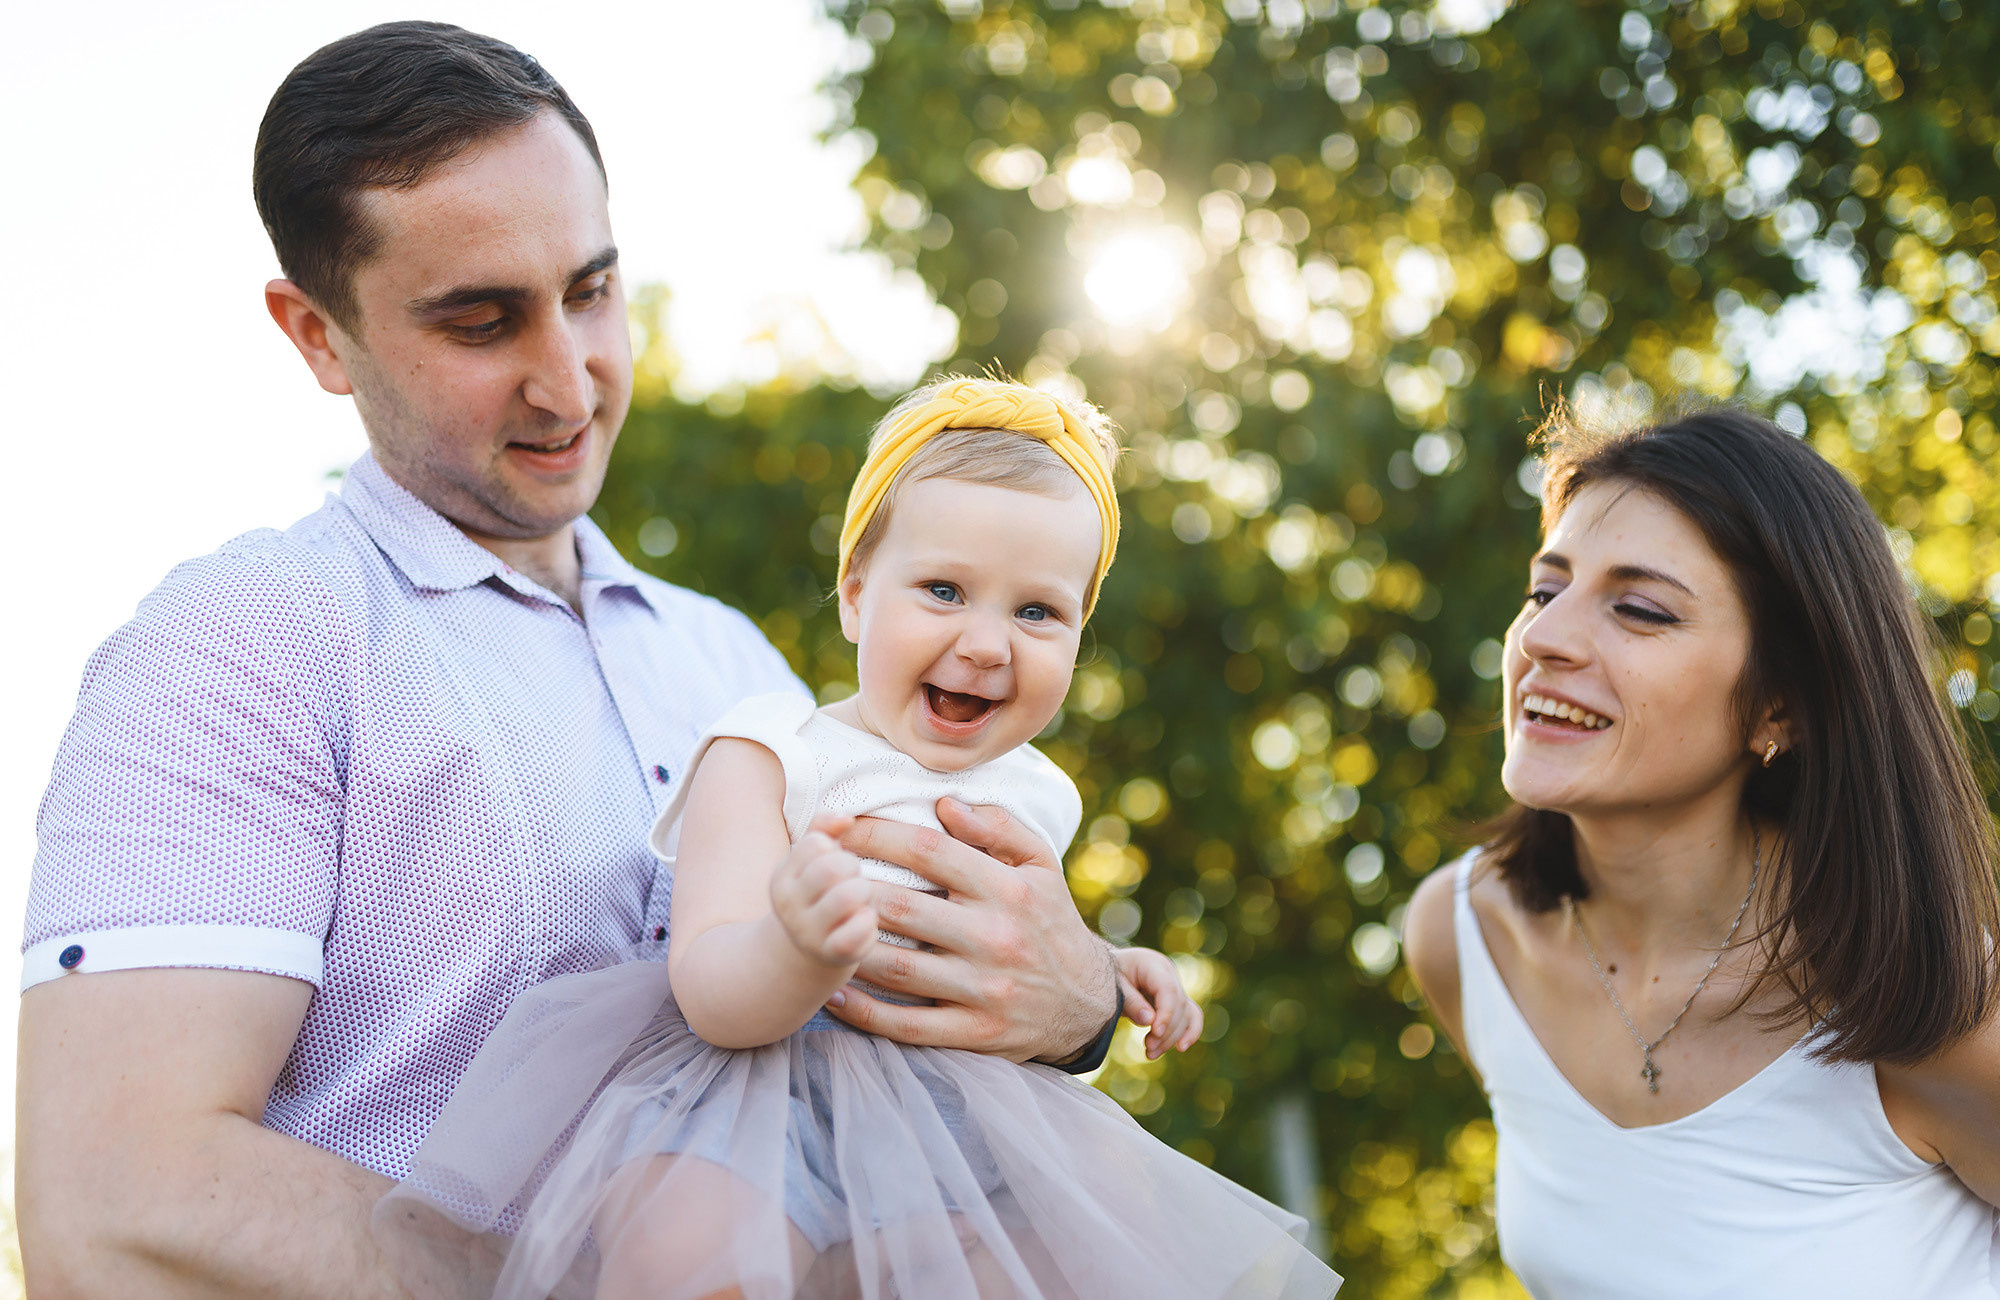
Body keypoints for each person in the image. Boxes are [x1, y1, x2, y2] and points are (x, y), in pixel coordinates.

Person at [16, 26, 1140, 1299]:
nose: (570, 380)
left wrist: (1080, 1014)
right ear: (318, 336)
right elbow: (113, 1205)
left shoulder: (736, 663)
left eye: (591, 290)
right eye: (482, 321)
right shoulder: (237, 648)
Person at [374, 376, 1340, 1300]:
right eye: (945, 591)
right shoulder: (771, 749)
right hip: (763, 1106)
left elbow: (1024, 957)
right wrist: (792, 944)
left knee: (1073, 1266)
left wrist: (1111, 967)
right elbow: (708, 984)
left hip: (971, 1136)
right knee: (685, 1255)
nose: (989, 642)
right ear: (854, 595)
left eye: (1038, 611)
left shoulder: (1036, 795)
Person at [1402, 406, 2000, 1298]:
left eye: (1639, 610)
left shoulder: (1935, 1008)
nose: (1543, 639)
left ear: (1780, 708)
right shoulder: (1464, 940)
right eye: (1544, 590)